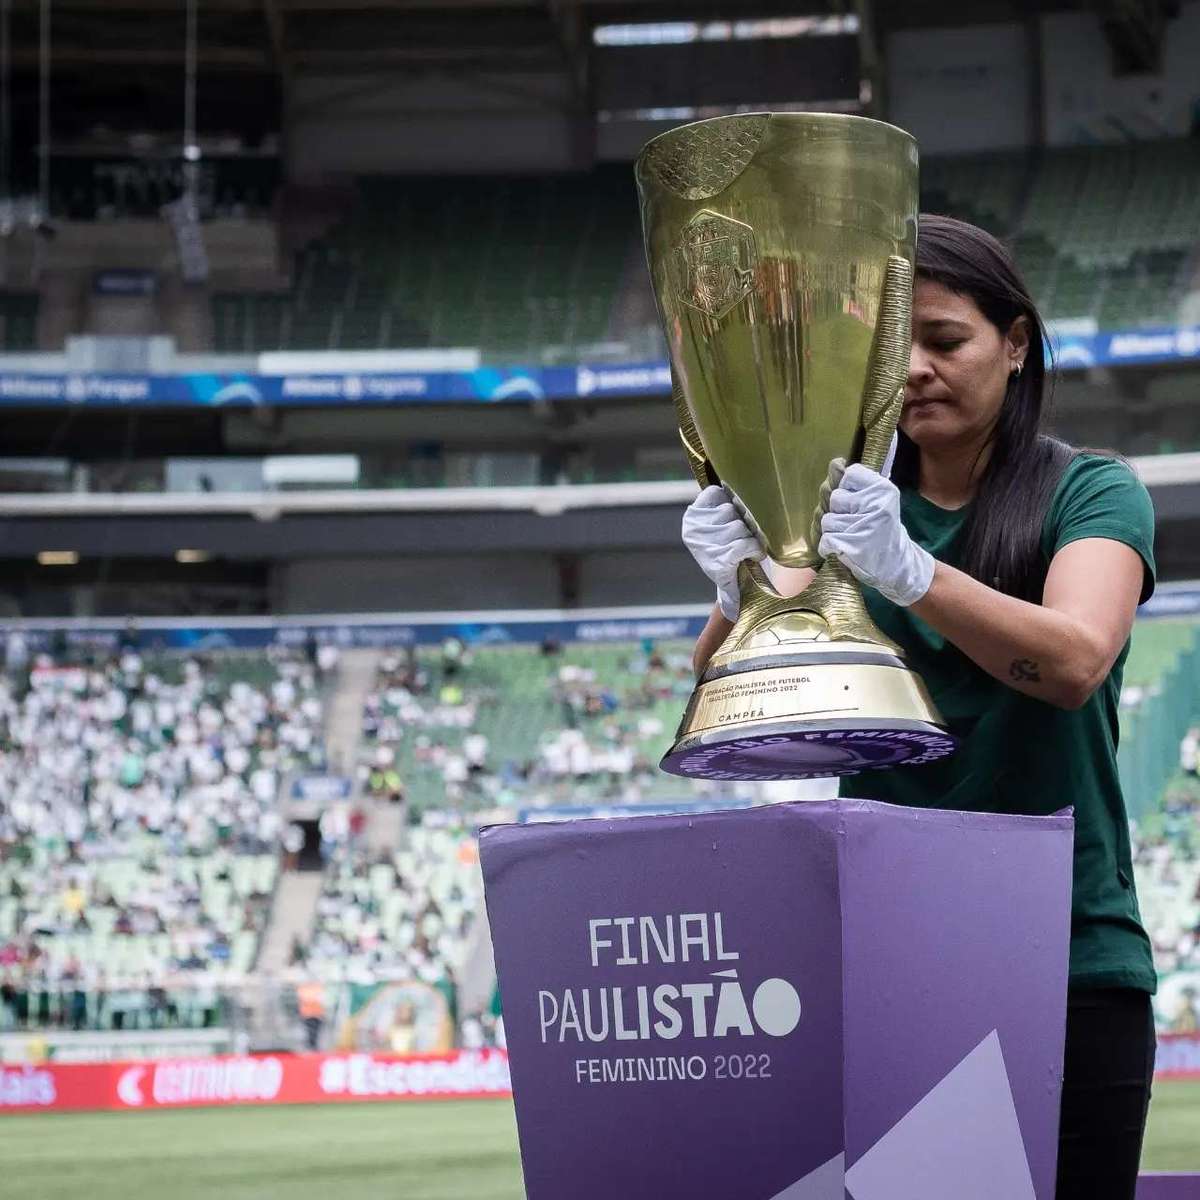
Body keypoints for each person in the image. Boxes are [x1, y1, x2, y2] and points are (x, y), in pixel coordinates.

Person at [685, 215, 1156, 1200]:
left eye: (945, 341)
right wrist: (739, 584)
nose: (915, 372)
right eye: (886, 354)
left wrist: (906, 569)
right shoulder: (828, 513)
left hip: (1069, 959)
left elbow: (1073, 661)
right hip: (894, 963)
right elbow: (725, 703)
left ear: (1016, 344)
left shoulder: (1094, 493)